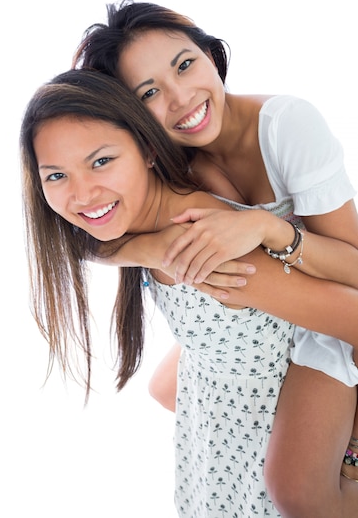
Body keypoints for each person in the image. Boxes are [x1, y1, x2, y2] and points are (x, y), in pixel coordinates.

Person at [20, 69, 358, 518]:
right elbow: (83, 244)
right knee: (163, 390)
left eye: (101, 161)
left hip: (274, 423)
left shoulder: (208, 250)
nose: (83, 193)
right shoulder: (140, 225)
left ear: (147, 149)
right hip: (217, 421)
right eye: (56, 175)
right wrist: (150, 248)